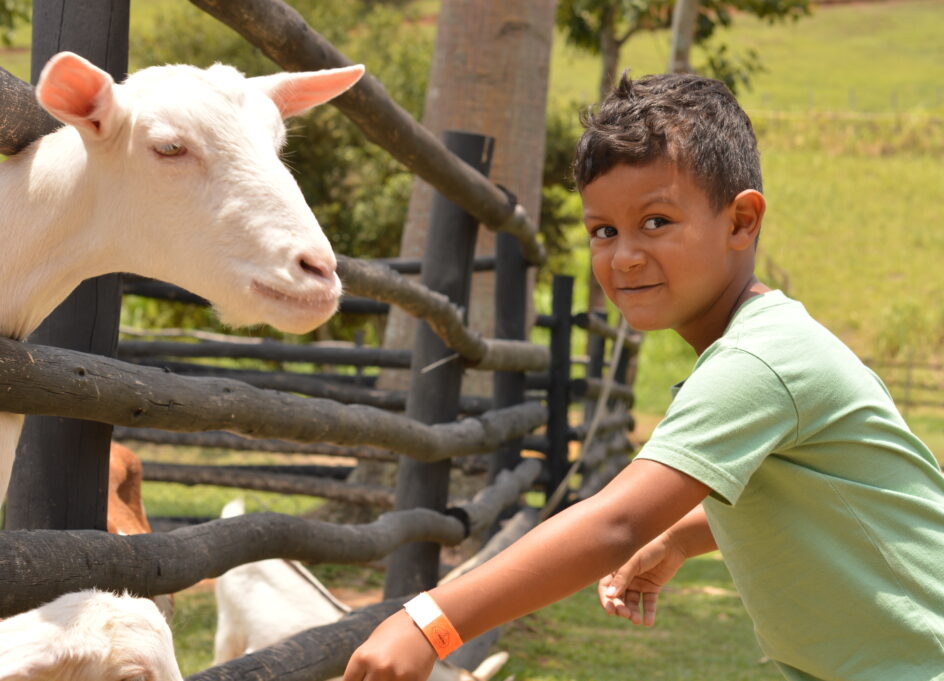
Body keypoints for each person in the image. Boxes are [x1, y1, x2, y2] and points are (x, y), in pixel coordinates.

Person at [343, 73, 944, 681]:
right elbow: (801, 497)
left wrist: (429, 620)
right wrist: (680, 537)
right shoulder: (762, 346)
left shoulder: (759, 363)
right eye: (604, 231)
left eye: (655, 221)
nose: (624, 255)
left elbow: (615, 523)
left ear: (741, 222)